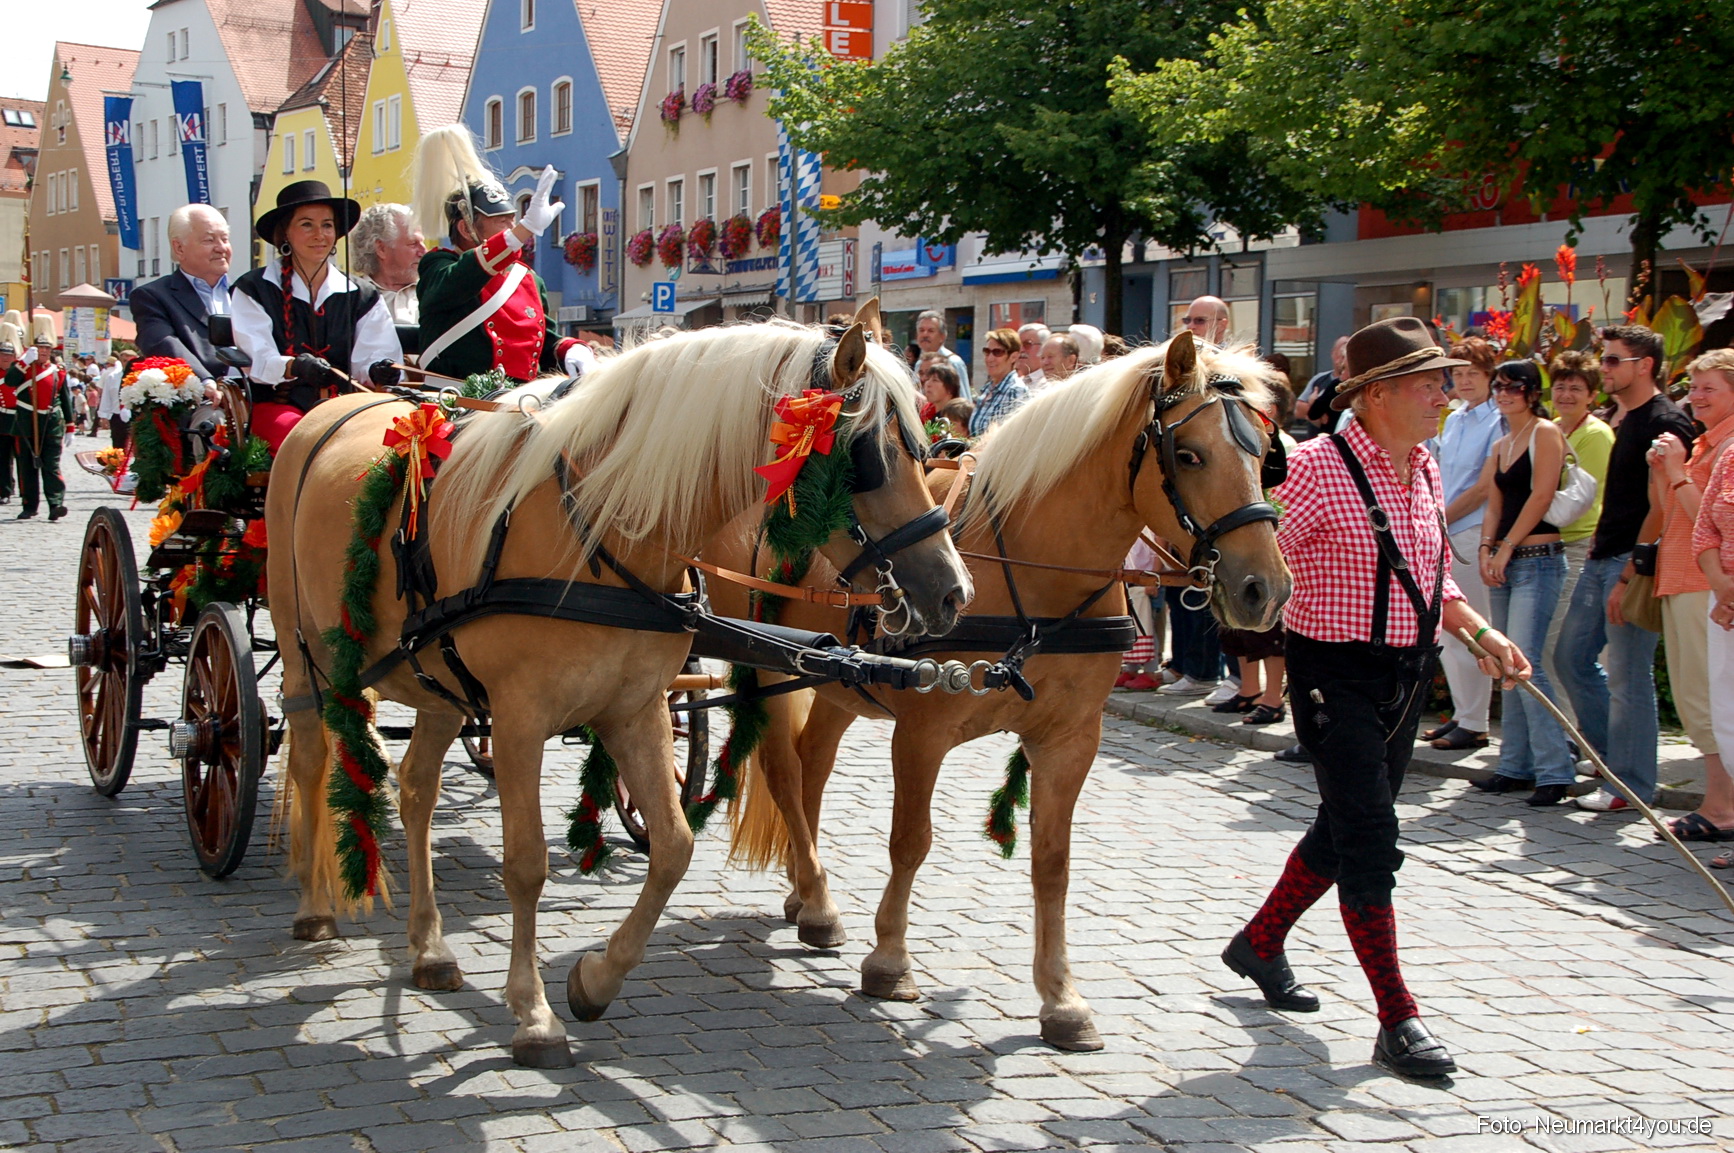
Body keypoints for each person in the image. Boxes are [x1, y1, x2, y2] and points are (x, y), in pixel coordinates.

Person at [1221, 316, 1529, 1079]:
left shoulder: (1423, 466)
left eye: (1444, 382)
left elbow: (1431, 575)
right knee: (1370, 835)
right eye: (1430, 384)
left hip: (1406, 673)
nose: (1444, 396)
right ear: (1378, 394)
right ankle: (1398, 1016)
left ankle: (1259, 941)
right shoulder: (1315, 468)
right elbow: (1259, 563)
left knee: (1345, 822)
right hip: (1332, 674)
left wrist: (1481, 633)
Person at [1554, 325, 1695, 812]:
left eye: (1614, 360)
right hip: (1603, 555)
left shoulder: (1665, 421)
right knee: (1570, 659)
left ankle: (1630, 784)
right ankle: (1613, 761)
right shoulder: (1623, 416)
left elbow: (1663, 507)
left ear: (1645, 365)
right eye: (1605, 358)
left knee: (1628, 676)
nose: (1604, 368)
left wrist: (1631, 572)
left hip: (1632, 563)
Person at [1468, 360, 1573, 804]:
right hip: (1506, 561)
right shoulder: (1501, 442)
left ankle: (1555, 770)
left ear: (1532, 392)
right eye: (1499, 386)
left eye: (1514, 387)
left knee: (1527, 662)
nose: (1503, 393)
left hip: (1539, 559)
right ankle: (1514, 765)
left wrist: (1507, 546)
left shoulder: (1545, 432)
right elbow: (1494, 502)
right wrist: (1486, 548)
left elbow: (1542, 494)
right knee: (1506, 660)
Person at [231, 181, 403, 452]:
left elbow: (371, 355)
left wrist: (377, 370)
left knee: (387, 442)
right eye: (307, 224)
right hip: (278, 407)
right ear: (285, 233)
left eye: (327, 225)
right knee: (306, 442)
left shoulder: (362, 295)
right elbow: (258, 359)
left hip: (345, 408)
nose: (319, 234)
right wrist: (295, 366)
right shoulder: (254, 289)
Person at [412, 126, 590, 385]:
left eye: (513, 220)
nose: (512, 228)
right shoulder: (438, 265)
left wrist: (570, 348)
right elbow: (464, 277)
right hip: (454, 398)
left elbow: (542, 342)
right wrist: (524, 230)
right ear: (466, 228)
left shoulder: (528, 278)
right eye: (501, 222)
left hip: (521, 399)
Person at [1649, 350, 1734, 840]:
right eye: (1694, 387)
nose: (1696, 396)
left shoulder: (1727, 447)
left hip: (1708, 584)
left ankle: (1722, 806)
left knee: (1709, 699)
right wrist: (1664, 471)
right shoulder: (1705, 443)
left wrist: (1678, 471)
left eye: (1709, 388)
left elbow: (1710, 519)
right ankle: (1719, 801)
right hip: (1681, 576)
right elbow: (1669, 512)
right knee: (1694, 698)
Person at [1422, 337, 1503, 751]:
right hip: (1447, 528)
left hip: (1472, 530)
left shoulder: (1497, 420)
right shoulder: (1453, 418)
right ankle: (1462, 714)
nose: (1465, 381)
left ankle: (1476, 721)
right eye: (1457, 374)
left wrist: (1441, 518)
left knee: (1472, 627)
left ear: (1490, 376)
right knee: (1446, 632)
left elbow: (1485, 486)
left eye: (1473, 373)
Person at [1541, 352, 1615, 707]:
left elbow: (1582, 499)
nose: (1566, 395)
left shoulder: (1596, 434)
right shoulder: (1552, 428)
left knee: (1558, 648)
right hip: (1548, 547)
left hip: (1579, 546)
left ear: (1592, 395)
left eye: (1575, 388)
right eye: (1560, 387)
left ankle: (1573, 729)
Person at [128, 204, 238, 381]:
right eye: (209, 240)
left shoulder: (248, 292)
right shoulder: (153, 297)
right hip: (202, 392)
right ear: (179, 248)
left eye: (225, 239)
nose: (221, 248)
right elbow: (164, 344)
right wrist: (204, 381)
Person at [1692, 423, 1734, 867]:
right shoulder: (1730, 456)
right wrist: (1723, 588)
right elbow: (1704, 530)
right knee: (1727, 716)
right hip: (1723, 602)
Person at [13, 314, 76, 521]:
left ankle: (55, 504)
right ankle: (29, 506)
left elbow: (65, 399)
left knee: (52, 466)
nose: (43, 351)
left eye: (47, 348)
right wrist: (24, 362)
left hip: (51, 422)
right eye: (40, 348)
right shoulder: (24, 367)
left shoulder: (58, 371)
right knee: (27, 466)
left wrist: (70, 426)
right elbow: (10, 381)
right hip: (27, 421)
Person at [350, 203, 424, 325]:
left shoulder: (434, 291)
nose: (424, 252)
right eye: (413, 244)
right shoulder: (353, 297)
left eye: (422, 242)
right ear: (381, 249)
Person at [967, 328, 1030, 437]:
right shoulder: (987, 389)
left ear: (1013, 357)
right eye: (987, 352)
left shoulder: (1016, 390)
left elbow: (1016, 436)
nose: (990, 358)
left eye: (997, 352)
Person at [1300, 336, 1352, 433]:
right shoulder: (1330, 384)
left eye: (1346, 369)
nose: (1343, 375)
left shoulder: (1362, 390)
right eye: (1343, 368)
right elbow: (1309, 413)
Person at [914, 310, 969, 397]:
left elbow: (963, 398)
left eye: (931, 331)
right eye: (921, 330)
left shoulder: (953, 362)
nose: (925, 334)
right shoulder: (919, 364)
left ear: (942, 337)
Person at [0, 321, 19, 504]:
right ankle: (5, 490)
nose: (6, 358)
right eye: (3, 355)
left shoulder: (19, 372)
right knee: (3, 458)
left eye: (9, 355)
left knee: (23, 458)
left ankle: (27, 493)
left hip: (21, 418)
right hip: (2, 418)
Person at [96, 352, 129, 449]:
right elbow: (106, 396)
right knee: (118, 446)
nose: (128, 363)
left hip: (136, 415)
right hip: (117, 415)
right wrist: (104, 415)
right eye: (125, 361)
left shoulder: (141, 376)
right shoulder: (112, 376)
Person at [917, 356, 961, 423]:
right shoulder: (926, 412)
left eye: (935, 380)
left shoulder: (958, 417)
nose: (928, 384)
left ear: (950, 389)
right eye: (928, 379)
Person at [1016, 322, 1051, 389]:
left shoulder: (1050, 384)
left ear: (1044, 347)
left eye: (1027, 344)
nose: (1021, 350)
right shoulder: (1017, 383)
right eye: (1018, 345)